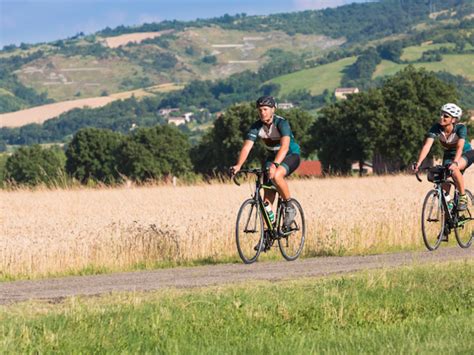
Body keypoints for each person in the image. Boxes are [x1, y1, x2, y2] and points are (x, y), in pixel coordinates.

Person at [231, 95, 301, 227]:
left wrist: (275, 165)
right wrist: (239, 165)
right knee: (266, 200)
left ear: (273, 109)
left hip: (290, 155)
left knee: (277, 174)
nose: (262, 112)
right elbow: (247, 147)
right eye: (260, 110)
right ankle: (267, 234)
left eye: (265, 109)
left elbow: (285, 147)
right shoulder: (256, 127)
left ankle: (289, 206)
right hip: (272, 157)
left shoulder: (281, 123)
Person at [413, 103, 474, 210]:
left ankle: (463, 196)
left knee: (454, 170)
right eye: (441, 114)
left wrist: (455, 162)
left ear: (453, 120)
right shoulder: (436, 128)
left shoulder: (460, 128)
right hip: (449, 154)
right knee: (442, 178)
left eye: (446, 116)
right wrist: (419, 162)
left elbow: (460, 147)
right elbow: (427, 146)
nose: (442, 117)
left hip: (465, 153)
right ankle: (448, 210)